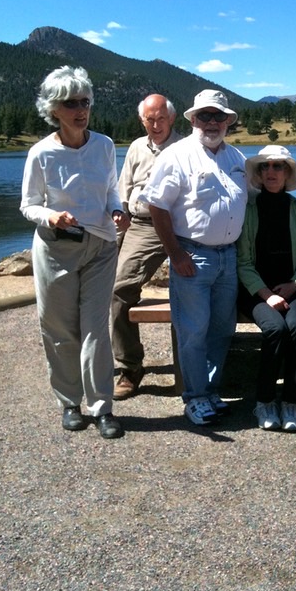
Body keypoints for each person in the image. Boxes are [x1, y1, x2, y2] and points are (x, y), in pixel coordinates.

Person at [20, 66, 130, 439]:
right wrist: (52, 216)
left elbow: (112, 190)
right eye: (70, 103)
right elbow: (29, 205)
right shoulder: (41, 153)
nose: (80, 110)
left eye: (84, 101)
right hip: (55, 250)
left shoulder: (104, 145)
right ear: (53, 109)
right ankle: (69, 402)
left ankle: (102, 408)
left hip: (100, 245)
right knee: (59, 328)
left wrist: (117, 209)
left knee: (96, 328)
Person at [140, 89, 247, 425]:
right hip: (193, 257)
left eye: (218, 116)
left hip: (228, 258)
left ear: (229, 121)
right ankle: (195, 397)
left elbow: (252, 198)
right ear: (192, 119)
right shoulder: (177, 155)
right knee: (193, 330)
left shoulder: (238, 159)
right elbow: (156, 205)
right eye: (205, 116)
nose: (212, 122)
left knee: (221, 329)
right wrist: (175, 253)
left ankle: (211, 391)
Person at [237, 146, 296, 432]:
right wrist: (266, 294)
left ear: (287, 173)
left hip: (292, 288)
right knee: (275, 329)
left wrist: (295, 285)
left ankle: (292, 403)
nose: (271, 172)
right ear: (258, 174)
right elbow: (243, 262)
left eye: (278, 166)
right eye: (265, 167)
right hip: (255, 291)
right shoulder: (247, 211)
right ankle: (265, 401)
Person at [111, 94, 182, 399]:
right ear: (142, 121)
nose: (155, 125)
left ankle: (202, 364)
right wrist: (120, 214)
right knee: (118, 289)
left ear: (172, 119)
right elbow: (123, 187)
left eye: (160, 119)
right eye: (149, 120)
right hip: (143, 226)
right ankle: (130, 367)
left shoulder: (187, 147)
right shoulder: (137, 147)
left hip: (183, 227)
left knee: (203, 287)